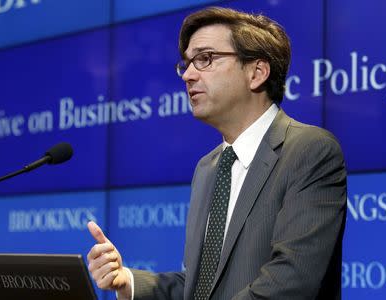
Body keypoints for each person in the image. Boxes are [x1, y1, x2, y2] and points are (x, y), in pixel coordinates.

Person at [87, 7, 347, 300]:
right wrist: (127, 281)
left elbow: (290, 282)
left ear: (256, 72)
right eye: (186, 64)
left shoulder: (310, 151)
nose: (187, 75)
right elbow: (202, 287)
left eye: (205, 59)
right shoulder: (208, 167)